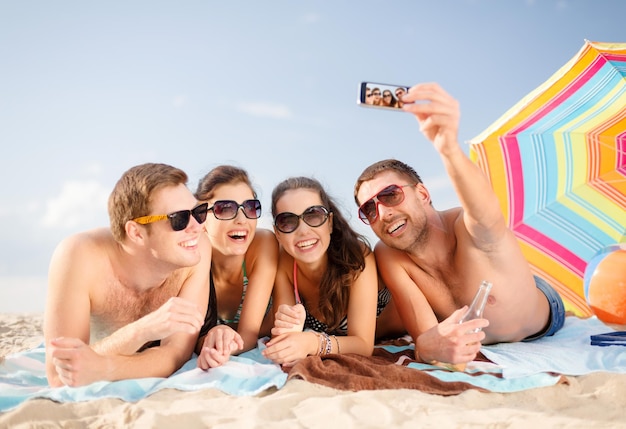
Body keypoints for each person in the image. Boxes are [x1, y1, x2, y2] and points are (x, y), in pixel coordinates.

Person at [353, 83, 565, 367]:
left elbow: (485, 212)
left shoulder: (469, 229)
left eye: (390, 195)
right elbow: (427, 338)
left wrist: (448, 148)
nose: (383, 212)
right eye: (369, 209)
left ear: (423, 194)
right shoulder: (389, 254)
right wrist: (429, 345)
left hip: (541, 313)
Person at [44, 163, 215, 387]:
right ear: (136, 232)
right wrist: (142, 330)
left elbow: (175, 353)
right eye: (179, 219)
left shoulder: (197, 249)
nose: (197, 227)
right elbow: (59, 376)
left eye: (199, 212)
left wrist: (103, 368)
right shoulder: (79, 256)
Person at [262, 177, 403, 366]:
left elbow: (363, 345)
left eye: (313, 215)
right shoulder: (285, 264)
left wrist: (313, 342)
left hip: (419, 322)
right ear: (277, 233)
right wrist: (289, 329)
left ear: (329, 222)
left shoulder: (356, 258)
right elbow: (286, 335)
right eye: (287, 221)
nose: (303, 231)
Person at [194, 165, 278, 369]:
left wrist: (216, 346)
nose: (242, 220)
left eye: (250, 207)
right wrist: (209, 341)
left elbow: (247, 336)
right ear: (201, 217)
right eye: (225, 208)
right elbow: (191, 339)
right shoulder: (194, 256)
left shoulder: (263, 244)